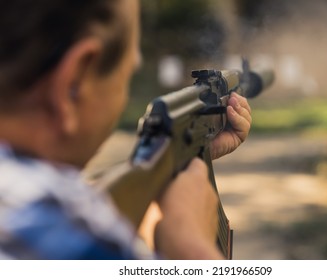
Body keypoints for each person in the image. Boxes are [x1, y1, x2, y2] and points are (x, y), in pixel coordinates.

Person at [0, 0, 252, 259]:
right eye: (126, 75)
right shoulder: (80, 239)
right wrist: (191, 246)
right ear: (74, 83)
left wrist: (183, 157)